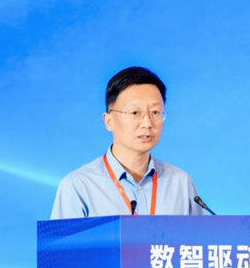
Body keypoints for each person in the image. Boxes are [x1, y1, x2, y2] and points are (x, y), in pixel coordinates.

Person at [50, 66, 205, 219]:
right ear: (109, 121)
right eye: (135, 112)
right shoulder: (79, 186)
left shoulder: (181, 183)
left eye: (155, 112)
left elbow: (201, 236)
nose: (147, 123)